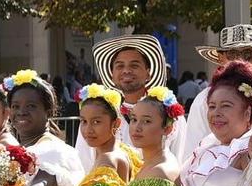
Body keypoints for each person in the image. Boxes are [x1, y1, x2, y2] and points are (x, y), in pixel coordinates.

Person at [79, 35, 190, 167]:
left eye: (134, 65)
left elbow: (180, 160)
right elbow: (83, 162)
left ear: (148, 73)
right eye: (120, 66)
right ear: (112, 75)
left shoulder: (168, 113)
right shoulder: (99, 113)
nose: (126, 71)